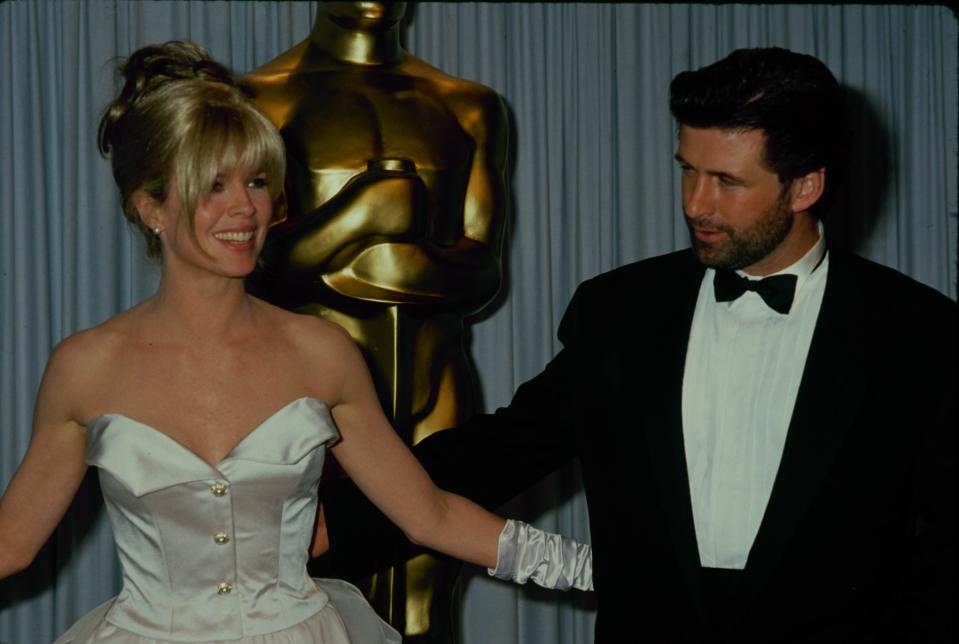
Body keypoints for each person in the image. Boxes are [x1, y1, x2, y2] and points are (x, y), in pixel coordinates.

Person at [318, 47, 956, 642]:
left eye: (727, 182)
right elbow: (502, 449)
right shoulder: (620, 310)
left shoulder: (916, 331)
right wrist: (323, 527)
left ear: (806, 187)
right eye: (687, 170)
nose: (694, 204)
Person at [0, 41, 591, 644]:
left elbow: (430, 514)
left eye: (257, 181)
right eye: (214, 186)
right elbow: (12, 542)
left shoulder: (321, 352)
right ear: (151, 206)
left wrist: (595, 571)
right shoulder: (85, 366)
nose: (246, 209)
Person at [241, 2, 509, 637]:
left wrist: (370, 263)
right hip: (302, 387)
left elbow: (483, 272)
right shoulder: (255, 99)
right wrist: (362, 213)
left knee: (426, 593)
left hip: (434, 377)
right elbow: (246, 258)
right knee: (305, 590)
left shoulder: (469, 105)